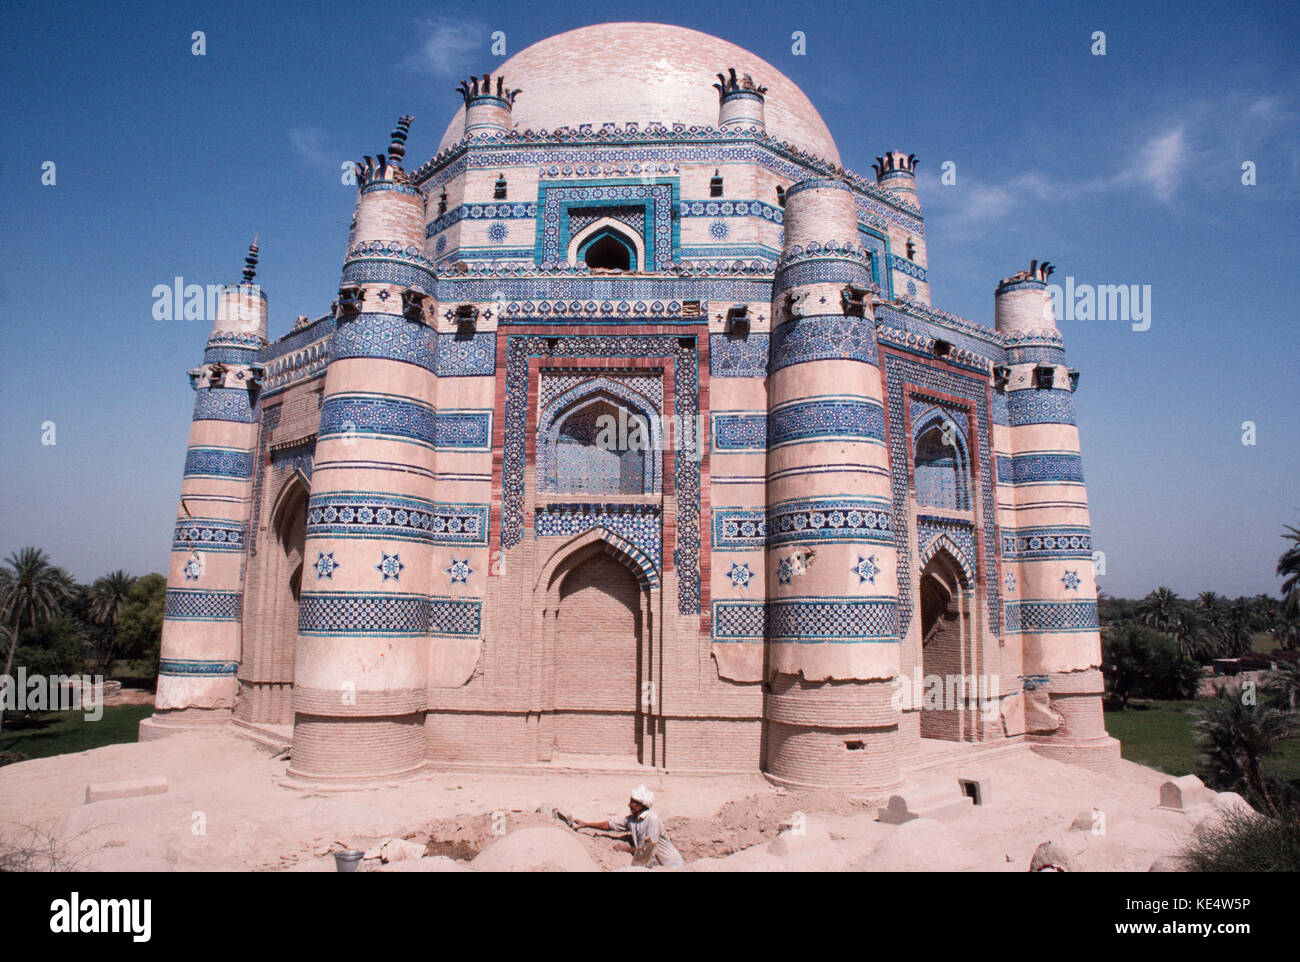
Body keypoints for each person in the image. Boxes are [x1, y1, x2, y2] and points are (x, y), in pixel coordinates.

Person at [573, 785, 684, 868]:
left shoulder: (652, 820)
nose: (629, 804)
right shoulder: (632, 819)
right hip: (653, 865)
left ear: (642, 805)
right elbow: (610, 825)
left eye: (633, 802)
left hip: (670, 865)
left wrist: (626, 849)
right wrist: (586, 824)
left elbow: (647, 848)